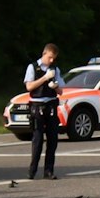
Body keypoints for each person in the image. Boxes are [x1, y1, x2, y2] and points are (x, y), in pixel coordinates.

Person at [23, 43, 63, 179]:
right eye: (50, 57)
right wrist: (45, 78)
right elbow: (29, 86)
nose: (52, 61)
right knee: (38, 140)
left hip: (51, 105)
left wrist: (55, 86)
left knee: (53, 139)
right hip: (37, 106)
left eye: (54, 58)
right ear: (44, 54)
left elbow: (61, 91)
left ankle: (48, 171)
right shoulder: (33, 67)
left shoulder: (55, 69)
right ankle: (32, 170)